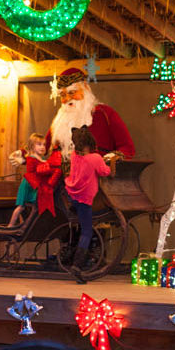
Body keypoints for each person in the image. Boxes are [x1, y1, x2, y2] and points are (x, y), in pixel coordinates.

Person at [45, 68, 135, 160]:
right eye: (63, 95)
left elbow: (127, 148)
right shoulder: (59, 120)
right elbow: (42, 147)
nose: (67, 99)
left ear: (86, 89)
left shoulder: (105, 113)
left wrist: (111, 158)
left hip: (98, 172)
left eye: (72, 92)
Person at [65, 126, 113, 283]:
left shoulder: (74, 156)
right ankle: (77, 266)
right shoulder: (95, 158)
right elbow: (105, 172)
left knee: (82, 226)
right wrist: (111, 162)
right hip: (85, 199)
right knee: (87, 232)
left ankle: (76, 260)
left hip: (72, 195)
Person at [9, 133, 47, 227]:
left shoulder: (39, 158)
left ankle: (27, 224)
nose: (42, 147)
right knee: (21, 207)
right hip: (28, 184)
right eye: (39, 144)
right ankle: (10, 225)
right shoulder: (31, 158)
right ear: (32, 146)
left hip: (34, 184)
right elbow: (38, 169)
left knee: (35, 207)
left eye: (44, 145)